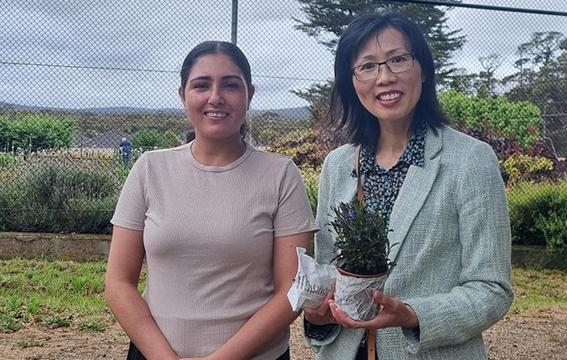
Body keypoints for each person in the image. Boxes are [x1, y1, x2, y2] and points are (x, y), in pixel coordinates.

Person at [303, 12, 513, 360]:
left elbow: (492, 289)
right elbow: (330, 276)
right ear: (352, 81)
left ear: (424, 68)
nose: (384, 77)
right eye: (367, 66)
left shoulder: (470, 160)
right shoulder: (337, 165)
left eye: (398, 59)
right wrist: (318, 315)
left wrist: (413, 314)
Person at [105, 40, 318, 360]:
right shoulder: (149, 169)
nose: (215, 97)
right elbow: (119, 282)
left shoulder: (280, 175)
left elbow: (291, 289)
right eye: (201, 85)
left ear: (249, 96)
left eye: (230, 85)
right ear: (183, 96)